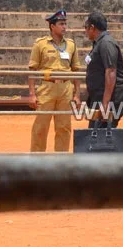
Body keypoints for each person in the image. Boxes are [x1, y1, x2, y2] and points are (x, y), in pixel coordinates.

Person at [28, 10, 81, 152]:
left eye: (65, 23)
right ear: (52, 26)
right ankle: (37, 161)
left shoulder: (71, 45)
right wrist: (32, 94)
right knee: (41, 126)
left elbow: (76, 70)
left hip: (65, 88)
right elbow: (32, 70)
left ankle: (60, 162)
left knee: (64, 127)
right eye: (61, 24)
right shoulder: (40, 44)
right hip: (47, 87)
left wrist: (77, 94)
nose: (65, 27)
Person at [84, 12, 123, 128]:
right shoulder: (99, 43)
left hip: (111, 98)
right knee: (97, 132)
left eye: (86, 27)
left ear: (92, 27)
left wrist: (105, 103)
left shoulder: (106, 43)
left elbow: (111, 71)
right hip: (102, 96)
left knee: (100, 133)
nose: (85, 31)